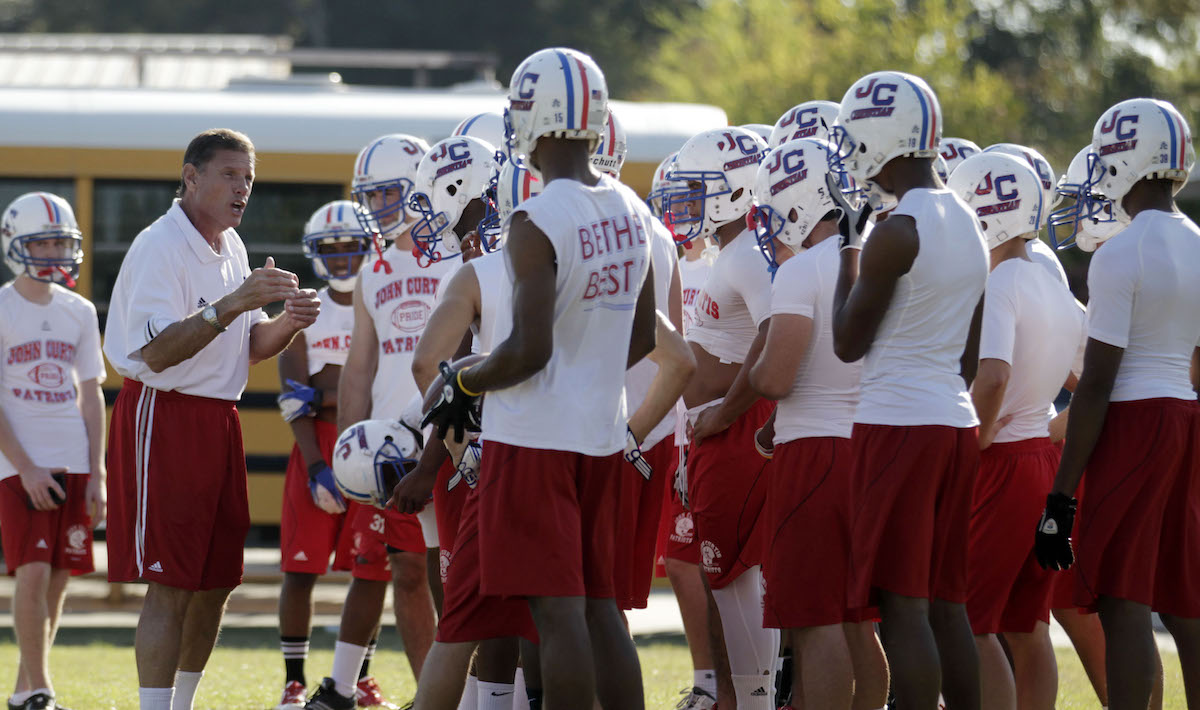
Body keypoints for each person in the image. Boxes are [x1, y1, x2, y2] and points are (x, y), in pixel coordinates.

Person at [423, 46, 656, 710]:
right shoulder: (632, 209)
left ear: (539, 118)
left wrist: (467, 381)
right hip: (602, 434)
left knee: (557, 615)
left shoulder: (535, 217)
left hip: (536, 440)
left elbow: (525, 350)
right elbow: (642, 337)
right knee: (601, 607)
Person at [103, 128, 321, 710]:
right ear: (190, 177)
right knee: (171, 582)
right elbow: (156, 353)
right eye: (229, 174)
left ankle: (182, 703)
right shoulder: (161, 245)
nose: (242, 188)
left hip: (218, 419)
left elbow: (249, 345)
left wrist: (289, 321)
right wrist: (231, 304)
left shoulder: (233, 248)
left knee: (217, 579)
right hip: (164, 412)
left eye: (248, 178)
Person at [828, 71, 988, 710]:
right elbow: (971, 356)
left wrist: (848, 244)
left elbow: (846, 341)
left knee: (902, 608)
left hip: (899, 423)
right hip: (954, 418)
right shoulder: (968, 220)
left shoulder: (895, 229)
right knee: (948, 606)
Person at [1035, 97, 1200, 710]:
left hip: (1134, 421)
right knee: (1186, 599)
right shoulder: (1196, 240)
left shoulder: (1119, 253)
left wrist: (1062, 493)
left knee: (1122, 596)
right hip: (1186, 414)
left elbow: (1099, 383)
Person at [746, 138, 889, 710]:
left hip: (817, 455)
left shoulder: (804, 269)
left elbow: (775, 379)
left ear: (801, 202)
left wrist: (752, 370)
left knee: (815, 620)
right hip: (878, 446)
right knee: (861, 621)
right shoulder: (885, 255)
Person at [304, 133, 444, 710]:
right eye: (370, 195)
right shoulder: (373, 270)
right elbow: (358, 370)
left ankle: (476, 692)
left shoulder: (461, 257)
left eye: (388, 193)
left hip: (450, 438)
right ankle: (432, 693)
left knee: (457, 575)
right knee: (408, 573)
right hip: (390, 447)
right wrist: (347, 449)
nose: (379, 206)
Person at [948, 152, 1085, 710]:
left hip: (1001, 462)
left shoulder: (1002, 281)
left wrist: (973, 437)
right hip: (1038, 461)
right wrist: (1047, 429)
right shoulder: (1051, 281)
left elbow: (995, 373)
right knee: (1028, 626)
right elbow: (1098, 384)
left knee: (971, 623)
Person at [662, 124, 778, 710]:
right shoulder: (730, 252)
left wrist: (726, 411)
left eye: (698, 188)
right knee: (725, 574)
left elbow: (776, 331)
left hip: (734, 426)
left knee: (735, 575)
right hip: (714, 425)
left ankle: (754, 701)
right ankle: (743, 698)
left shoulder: (747, 257)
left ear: (734, 189)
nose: (687, 201)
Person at [0, 192, 105, 710]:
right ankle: (41, 688)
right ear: (16, 245)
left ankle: (26, 692)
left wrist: (100, 472)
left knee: (60, 578)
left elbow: (91, 394)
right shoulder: (1, 307)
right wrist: (25, 467)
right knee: (33, 571)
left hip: (75, 458)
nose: (53, 253)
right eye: (42, 242)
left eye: (61, 242)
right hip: (19, 463)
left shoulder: (80, 310)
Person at [273, 201, 375, 709]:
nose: (340, 258)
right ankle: (294, 679)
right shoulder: (307, 305)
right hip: (318, 444)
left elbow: (363, 385)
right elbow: (295, 394)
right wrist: (315, 465)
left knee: (371, 567)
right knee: (300, 568)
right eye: (329, 249)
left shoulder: (382, 294)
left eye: (350, 246)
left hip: (375, 443)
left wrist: (327, 389)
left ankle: (357, 676)